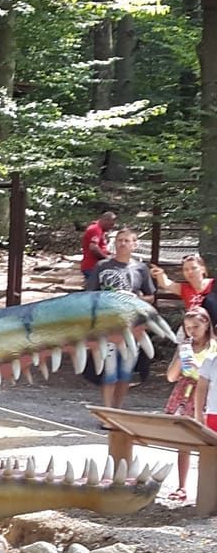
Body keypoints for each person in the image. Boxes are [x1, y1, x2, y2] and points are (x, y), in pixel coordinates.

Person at [89, 228, 159, 407]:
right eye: (120, 240)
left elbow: (151, 296)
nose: (123, 244)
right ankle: (107, 411)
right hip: (107, 326)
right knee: (109, 371)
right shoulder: (102, 266)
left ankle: (117, 409)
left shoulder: (141, 268)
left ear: (135, 244)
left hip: (132, 326)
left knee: (126, 372)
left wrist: (134, 298)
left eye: (127, 241)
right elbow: (89, 295)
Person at [164, 306, 217, 502]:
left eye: (195, 326)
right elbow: (171, 377)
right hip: (184, 394)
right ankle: (182, 486)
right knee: (183, 441)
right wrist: (181, 357)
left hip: (207, 395)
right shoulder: (185, 347)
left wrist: (198, 368)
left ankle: (207, 487)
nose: (192, 331)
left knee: (207, 443)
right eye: (188, 328)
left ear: (206, 324)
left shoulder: (213, 348)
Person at [81, 211, 116, 286]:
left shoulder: (99, 229)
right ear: (105, 220)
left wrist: (109, 253)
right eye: (111, 224)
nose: (112, 227)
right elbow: (93, 247)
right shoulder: (96, 229)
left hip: (95, 267)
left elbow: (99, 246)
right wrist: (107, 258)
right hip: (92, 267)